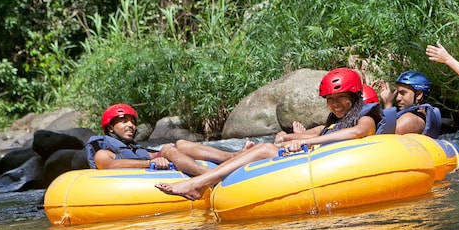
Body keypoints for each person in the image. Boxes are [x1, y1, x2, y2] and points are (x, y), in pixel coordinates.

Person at [155, 68, 381, 200]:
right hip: (311, 162)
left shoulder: (365, 116)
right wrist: (295, 139)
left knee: (264, 149)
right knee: (262, 149)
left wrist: (307, 142)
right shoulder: (335, 122)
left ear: (353, 97)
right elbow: (319, 134)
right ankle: (203, 176)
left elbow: (360, 132)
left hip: (327, 167)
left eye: (341, 98)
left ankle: (199, 183)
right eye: (330, 100)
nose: (335, 104)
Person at [85, 103, 255, 175]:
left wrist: (165, 153)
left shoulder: (134, 149)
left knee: (178, 144)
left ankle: (236, 156)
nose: (130, 125)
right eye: (123, 122)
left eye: (132, 122)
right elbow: (111, 165)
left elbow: (150, 156)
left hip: (148, 166)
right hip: (125, 185)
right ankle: (210, 175)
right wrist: (152, 163)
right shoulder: (103, 152)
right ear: (109, 128)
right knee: (166, 150)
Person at [375, 71, 442, 138]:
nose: (397, 98)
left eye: (403, 93)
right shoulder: (423, 115)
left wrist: (388, 104)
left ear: (418, 95)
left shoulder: (411, 120)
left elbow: (384, 138)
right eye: (398, 93)